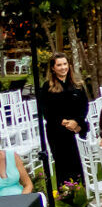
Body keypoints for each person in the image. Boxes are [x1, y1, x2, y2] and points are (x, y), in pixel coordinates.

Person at [36, 53, 89, 185]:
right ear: (53, 68)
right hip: (57, 132)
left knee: (77, 163)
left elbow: (84, 106)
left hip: (76, 130)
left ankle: (80, 195)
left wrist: (76, 122)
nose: (63, 67)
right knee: (63, 164)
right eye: (59, 65)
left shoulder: (77, 85)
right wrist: (64, 122)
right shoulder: (47, 87)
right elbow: (46, 110)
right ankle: (66, 197)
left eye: (65, 64)